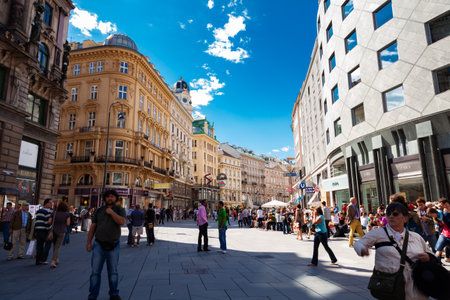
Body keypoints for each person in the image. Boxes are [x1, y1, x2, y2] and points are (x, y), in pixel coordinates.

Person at [354, 202, 433, 300]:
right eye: (388, 214)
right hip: (390, 286)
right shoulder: (378, 233)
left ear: (405, 218)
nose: (391, 216)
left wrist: (428, 257)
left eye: (395, 214)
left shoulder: (416, 237)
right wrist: (362, 249)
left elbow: (431, 255)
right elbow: (358, 243)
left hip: (415, 289)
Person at [87, 190, 126, 300]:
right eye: (108, 196)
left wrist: (112, 213)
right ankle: (92, 296)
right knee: (95, 272)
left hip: (114, 245)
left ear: (115, 198)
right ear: (105, 198)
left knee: (113, 272)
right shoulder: (99, 211)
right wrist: (89, 242)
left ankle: (114, 294)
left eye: (112, 197)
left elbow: (122, 222)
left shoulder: (120, 210)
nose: (110, 198)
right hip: (99, 245)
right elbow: (93, 227)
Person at [50, 201, 71, 268]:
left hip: (54, 230)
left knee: (55, 245)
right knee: (57, 247)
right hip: (62, 231)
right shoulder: (67, 214)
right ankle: (53, 262)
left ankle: (56, 259)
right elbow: (68, 224)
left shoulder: (54, 213)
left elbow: (49, 221)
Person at [34, 199, 53, 265]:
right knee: (48, 245)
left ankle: (38, 260)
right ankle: (43, 259)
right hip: (44, 231)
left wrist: (35, 230)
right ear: (46, 204)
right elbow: (47, 223)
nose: (51, 204)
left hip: (38, 230)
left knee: (39, 246)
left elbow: (36, 222)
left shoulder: (39, 211)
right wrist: (50, 230)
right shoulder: (47, 212)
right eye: (50, 203)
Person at [435, 198, 450, 263]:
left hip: (445, 234)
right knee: (438, 250)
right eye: (444, 205)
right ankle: (437, 264)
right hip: (445, 234)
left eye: (447, 204)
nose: (446, 206)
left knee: (439, 250)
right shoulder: (441, 213)